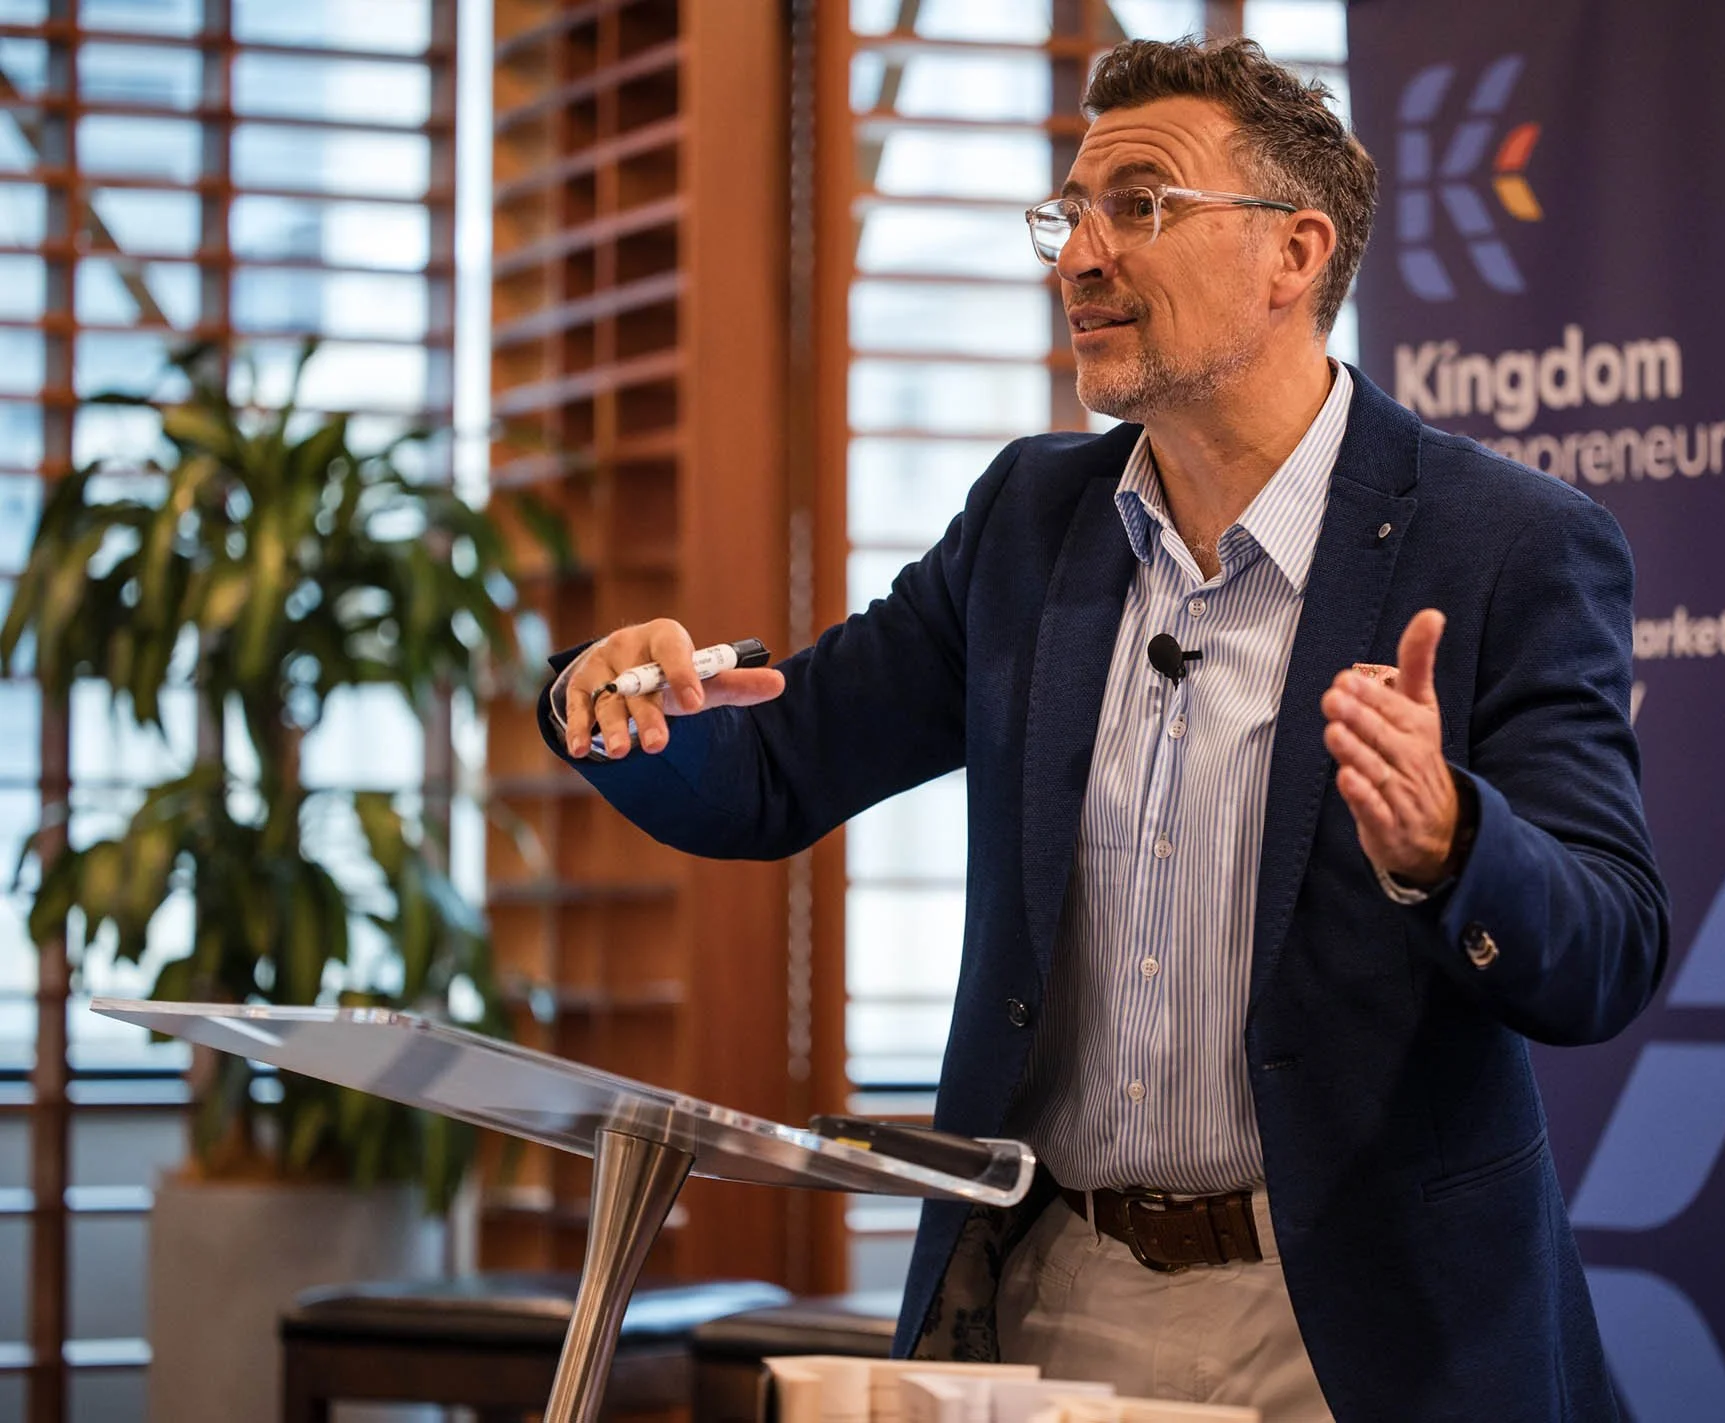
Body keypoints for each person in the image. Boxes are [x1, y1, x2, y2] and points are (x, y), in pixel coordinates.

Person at [541, 37, 1666, 1423]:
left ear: (1293, 251)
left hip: (1355, 1322)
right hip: (1052, 1295)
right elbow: (773, 768)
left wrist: (1451, 845)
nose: (1078, 255)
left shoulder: (1508, 546)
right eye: (1069, 213)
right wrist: (613, 706)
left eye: (1139, 205)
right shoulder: (1030, 523)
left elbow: (1606, 948)